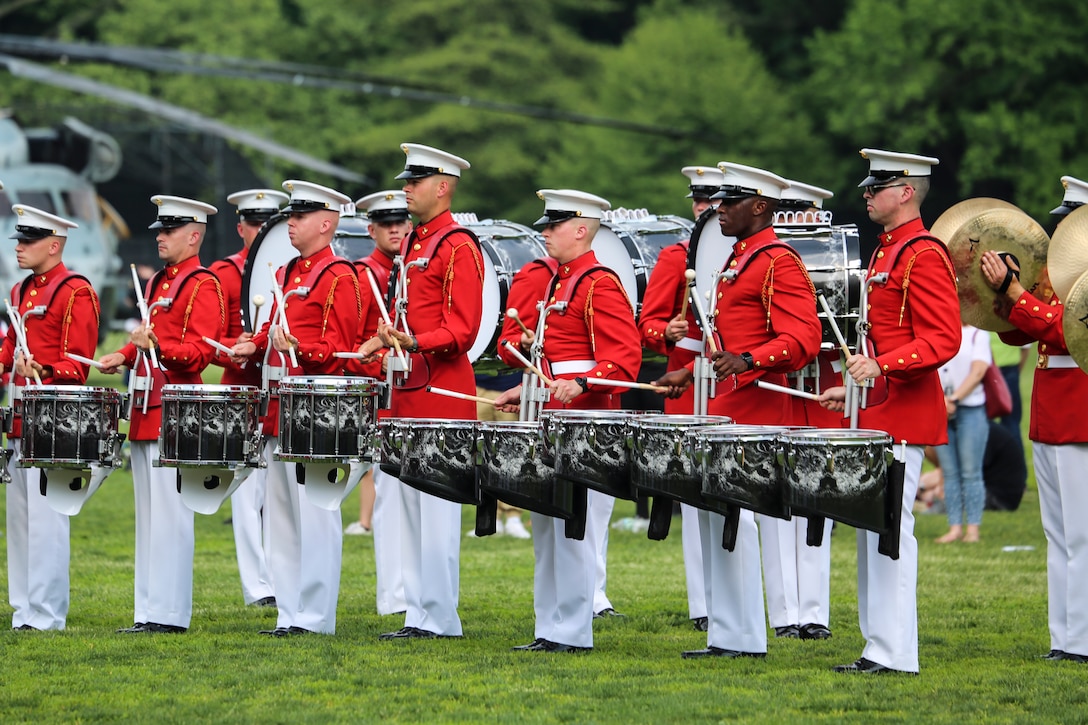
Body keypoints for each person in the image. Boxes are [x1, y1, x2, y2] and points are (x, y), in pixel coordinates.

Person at [656, 162, 822, 660]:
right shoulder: (740, 259)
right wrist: (691, 370)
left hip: (758, 406)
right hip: (727, 402)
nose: (718, 210)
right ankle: (727, 633)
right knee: (717, 519)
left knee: (739, 523)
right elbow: (730, 339)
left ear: (761, 206)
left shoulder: (778, 261)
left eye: (730, 202)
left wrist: (750, 359)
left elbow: (805, 338)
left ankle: (746, 636)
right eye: (718, 201)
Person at [817, 148, 960, 674]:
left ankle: (896, 653)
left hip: (905, 414)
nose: (867, 195)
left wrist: (881, 366)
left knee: (893, 535)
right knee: (874, 534)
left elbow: (943, 339)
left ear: (906, 192)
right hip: (880, 410)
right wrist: (855, 390)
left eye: (876, 188)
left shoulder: (922, 253)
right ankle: (877, 646)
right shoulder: (888, 251)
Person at [495, 188, 641, 653]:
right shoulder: (561, 281)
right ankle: (549, 628)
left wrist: (584, 383)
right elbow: (556, 360)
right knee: (546, 528)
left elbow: (625, 359)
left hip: (585, 426)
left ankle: (574, 631)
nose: (545, 233)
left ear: (581, 230)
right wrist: (529, 388)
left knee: (574, 530)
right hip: (551, 416)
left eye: (554, 225)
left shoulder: (600, 282)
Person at [359, 143, 483, 640]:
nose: (406, 187)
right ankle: (418, 614)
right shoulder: (414, 244)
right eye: (407, 180)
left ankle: (441, 617)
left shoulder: (457, 246)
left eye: (417, 181)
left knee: (435, 515)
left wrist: (413, 340)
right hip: (407, 390)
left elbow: (464, 330)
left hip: (441, 393)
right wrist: (385, 339)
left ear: (444, 187)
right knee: (408, 510)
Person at [230, 180, 360, 636]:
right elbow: (272, 326)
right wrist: (254, 343)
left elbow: (342, 348)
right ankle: (289, 612)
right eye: (290, 215)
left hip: (319, 406)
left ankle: (316, 615)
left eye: (300, 216)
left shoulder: (343, 275)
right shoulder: (287, 274)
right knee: (281, 514)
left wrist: (300, 347)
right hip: (282, 402)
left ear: (326, 223)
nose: (290, 223)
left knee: (316, 513)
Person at [99, 195, 225, 634]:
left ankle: (170, 614)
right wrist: (122, 353)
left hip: (177, 408)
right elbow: (149, 337)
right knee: (148, 516)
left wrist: (157, 349)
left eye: (169, 230)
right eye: (159, 229)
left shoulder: (203, 284)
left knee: (171, 515)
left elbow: (200, 352)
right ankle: (147, 610)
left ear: (194, 236)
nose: (160, 236)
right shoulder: (158, 284)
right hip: (145, 404)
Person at [979, 174, 1088, 664]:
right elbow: (1019, 336)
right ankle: (1064, 638)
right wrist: (1003, 297)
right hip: (1050, 416)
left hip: (1078, 416)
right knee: (1057, 535)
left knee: (1080, 535)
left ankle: (1080, 641)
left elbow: (1062, 329)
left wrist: (1016, 293)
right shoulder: (1057, 278)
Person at [2, 203, 100, 631]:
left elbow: (78, 364)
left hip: (56, 420)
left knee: (47, 521)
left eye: (29, 240)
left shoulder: (76, 290)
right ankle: (24, 609)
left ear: (55, 245)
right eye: (19, 240)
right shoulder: (20, 291)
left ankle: (47, 613)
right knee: (20, 522)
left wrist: (39, 369)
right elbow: (9, 351)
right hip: (22, 416)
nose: (19, 247)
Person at [637, 164, 724, 632]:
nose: (706, 209)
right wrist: (663, 331)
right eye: (700, 202)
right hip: (686, 383)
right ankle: (701, 604)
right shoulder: (675, 256)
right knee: (693, 494)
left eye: (715, 201)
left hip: (728, 378)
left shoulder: (738, 256)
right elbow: (647, 323)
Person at [759, 178, 836, 641]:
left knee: (815, 507)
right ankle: (785, 611)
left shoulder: (803, 261)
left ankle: (814, 612)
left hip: (819, 393)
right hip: (776, 393)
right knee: (775, 509)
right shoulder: (766, 264)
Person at [210, 188, 288, 610]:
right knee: (244, 489)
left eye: (267, 223)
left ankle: (279, 574)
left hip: (278, 387)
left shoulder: (289, 268)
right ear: (240, 227)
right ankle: (257, 585)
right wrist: (234, 343)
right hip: (240, 385)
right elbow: (210, 333)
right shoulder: (224, 273)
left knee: (279, 486)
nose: (260, 231)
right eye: (253, 223)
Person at [343, 189, 411, 616]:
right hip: (380, 398)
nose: (396, 229)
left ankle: (416, 593)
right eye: (386, 223)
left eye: (402, 222)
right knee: (387, 497)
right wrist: (384, 361)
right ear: (370, 230)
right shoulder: (359, 276)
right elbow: (351, 344)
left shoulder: (417, 272)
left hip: (417, 394)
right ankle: (394, 597)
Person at [934, 324, 991, 544]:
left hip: (970, 408)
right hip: (942, 409)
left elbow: (978, 371)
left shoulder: (978, 333)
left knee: (971, 472)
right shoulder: (941, 331)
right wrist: (942, 401)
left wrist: (955, 398)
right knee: (949, 472)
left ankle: (973, 529)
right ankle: (955, 527)